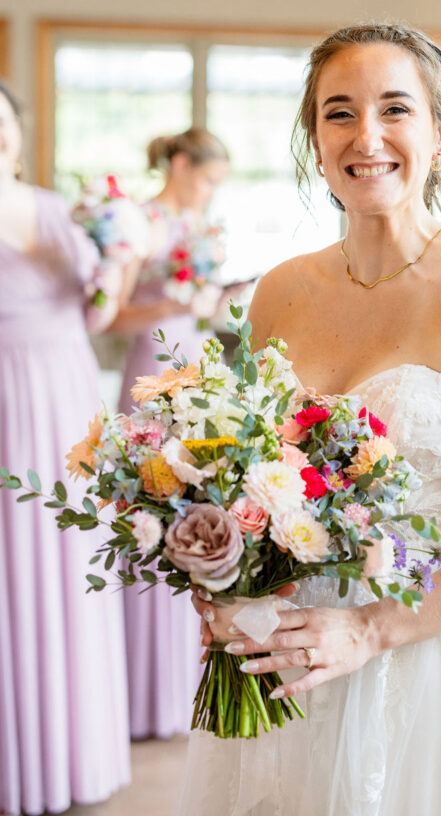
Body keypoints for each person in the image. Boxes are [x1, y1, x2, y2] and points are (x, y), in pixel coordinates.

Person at [177, 23, 441, 815]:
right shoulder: (278, 292)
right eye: (338, 112)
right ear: (314, 138)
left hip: (434, 658)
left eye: (394, 109)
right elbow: (253, 480)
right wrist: (227, 579)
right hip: (294, 654)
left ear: (440, 136)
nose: (365, 136)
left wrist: (371, 630)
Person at [0, 80, 130, 815]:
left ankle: (71, 750)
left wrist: (112, 269)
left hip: (68, 394)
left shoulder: (58, 210)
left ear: (18, 129)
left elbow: (99, 310)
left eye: (1, 122)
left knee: (74, 554)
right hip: (5, 397)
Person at [111, 126, 250, 739]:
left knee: (197, 514)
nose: (211, 192)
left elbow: (202, 310)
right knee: (147, 513)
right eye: (207, 178)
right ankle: (143, 692)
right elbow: (114, 313)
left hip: (196, 368)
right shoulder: (138, 221)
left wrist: (222, 298)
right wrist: (174, 300)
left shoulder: (202, 229)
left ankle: (187, 683)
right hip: (148, 368)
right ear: (179, 162)